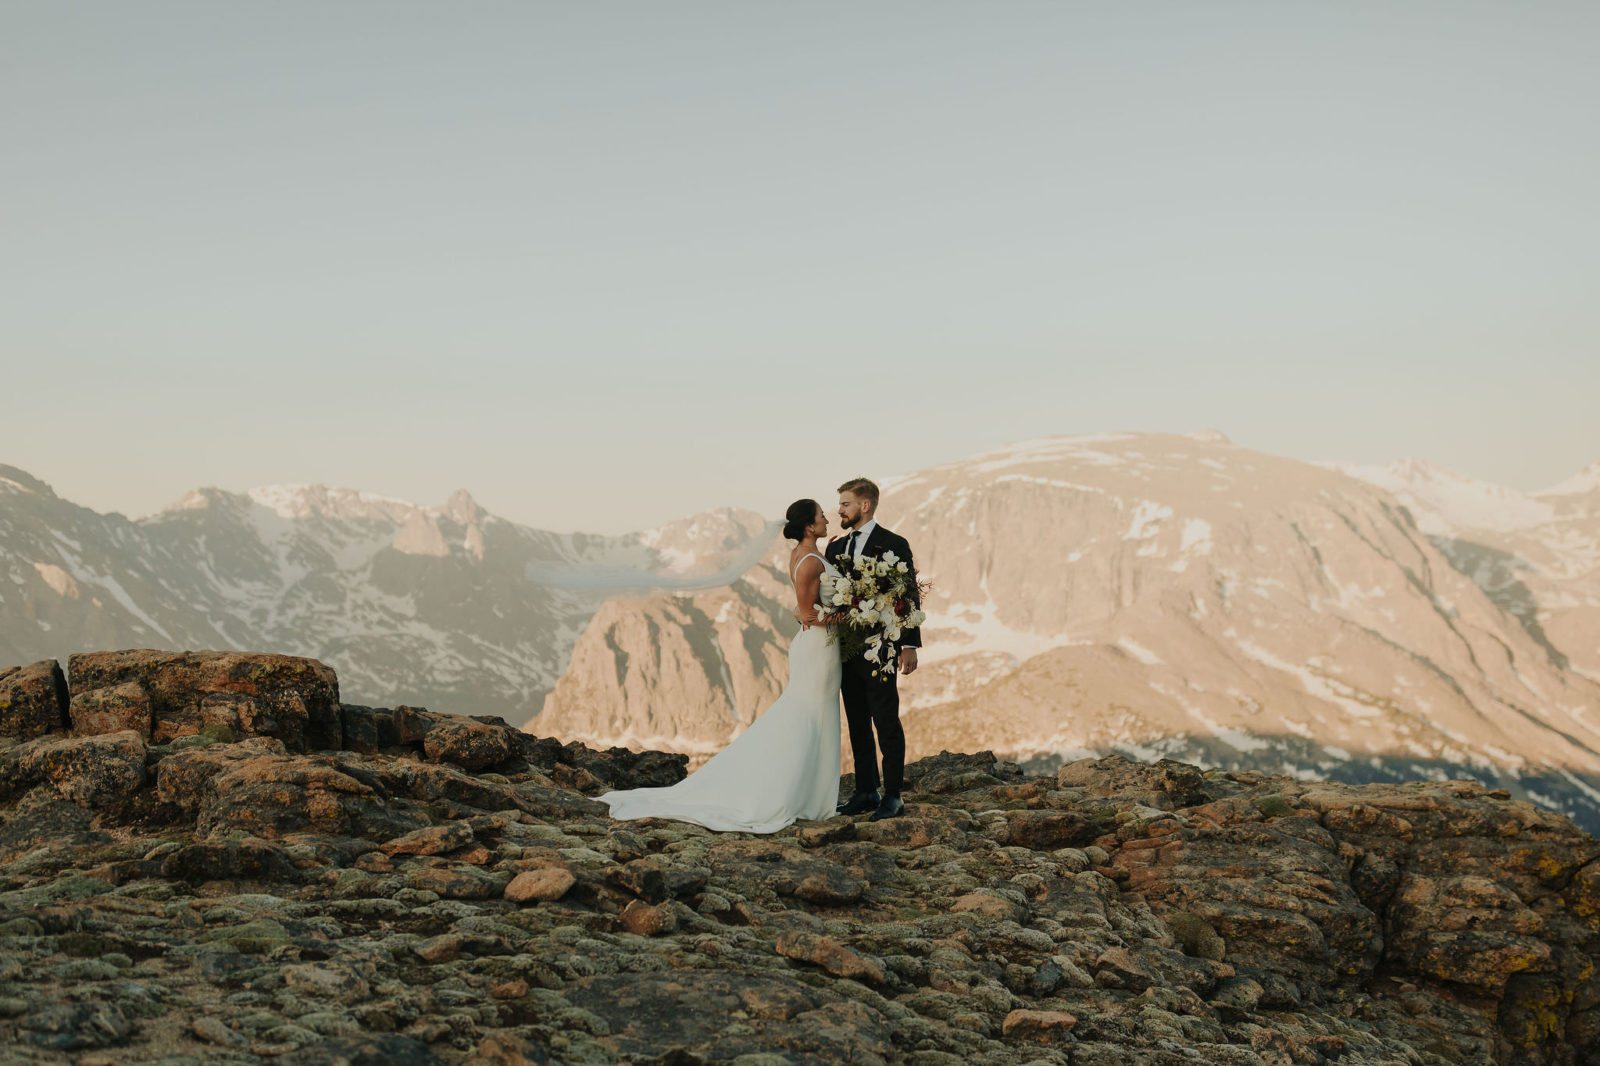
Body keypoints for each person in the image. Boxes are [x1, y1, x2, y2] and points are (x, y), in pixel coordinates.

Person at [598, 499, 843, 833]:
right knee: (809, 714)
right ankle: (796, 795)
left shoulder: (806, 556)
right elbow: (808, 613)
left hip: (820, 647)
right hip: (818, 646)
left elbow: (803, 611)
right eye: (821, 516)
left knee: (815, 714)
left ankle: (811, 795)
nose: (827, 518)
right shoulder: (811, 562)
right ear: (808, 526)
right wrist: (853, 615)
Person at [826, 477, 921, 822]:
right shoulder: (834, 550)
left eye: (845, 504)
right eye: (840, 505)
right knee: (856, 721)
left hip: (882, 648)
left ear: (865, 506)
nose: (840, 510)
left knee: (885, 720)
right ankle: (866, 790)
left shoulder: (893, 543)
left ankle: (893, 795)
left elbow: (908, 594)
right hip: (847, 650)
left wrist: (909, 644)